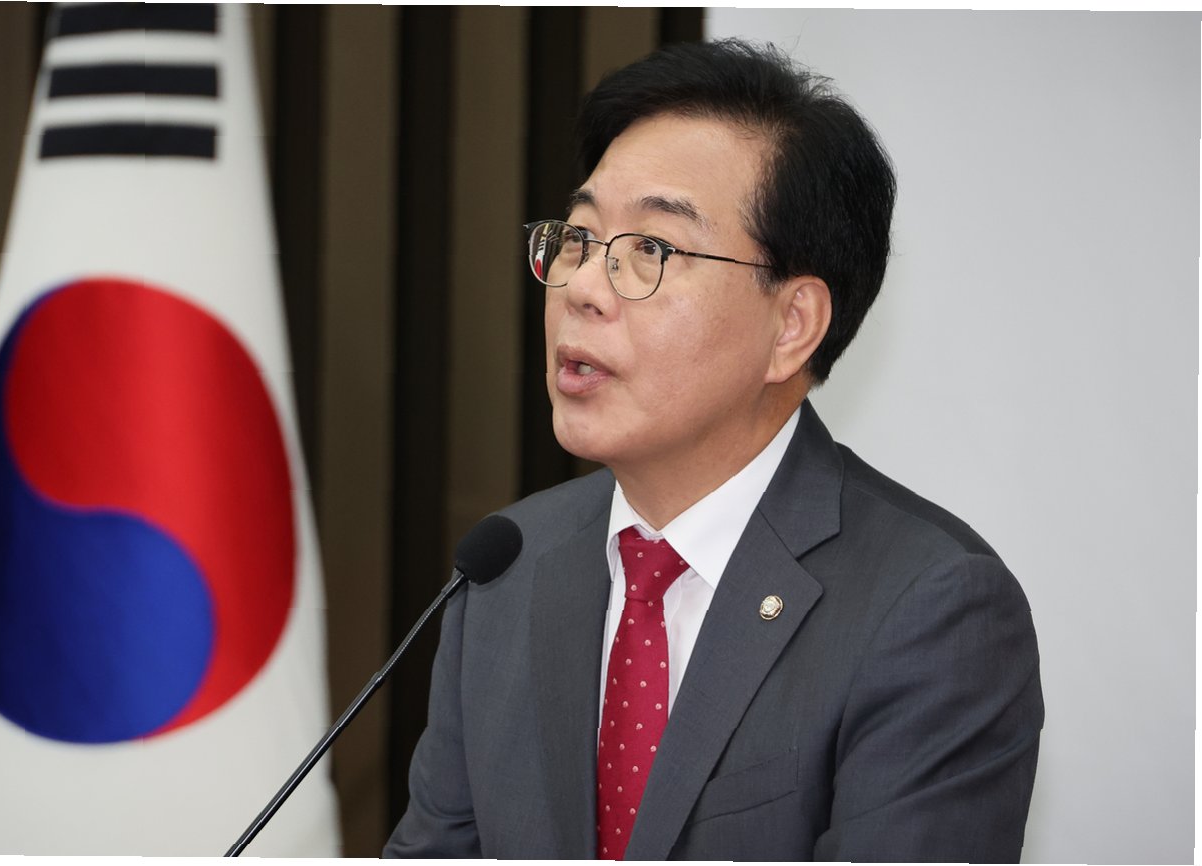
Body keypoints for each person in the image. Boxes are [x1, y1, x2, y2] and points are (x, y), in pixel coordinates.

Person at [385, 38, 1043, 861]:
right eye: (579, 238)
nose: (580, 287)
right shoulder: (505, 570)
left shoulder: (929, 611)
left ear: (791, 325)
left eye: (651, 250)